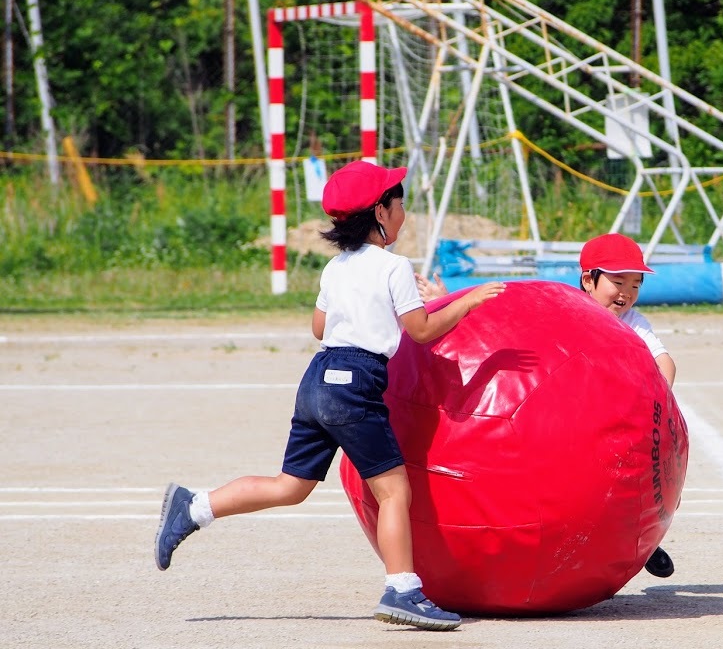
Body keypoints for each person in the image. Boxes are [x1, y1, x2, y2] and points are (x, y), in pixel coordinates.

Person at [154, 160, 505, 631]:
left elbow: (319, 327)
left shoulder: (336, 267)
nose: (404, 213)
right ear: (380, 212)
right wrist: (469, 299)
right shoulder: (394, 266)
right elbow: (421, 331)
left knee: (290, 486)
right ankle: (403, 590)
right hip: (355, 385)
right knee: (395, 491)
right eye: (400, 204)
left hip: (317, 378)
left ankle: (195, 506)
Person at [415, 233, 677, 577]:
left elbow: (664, 361)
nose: (626, 292)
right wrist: (449, 301)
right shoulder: (563, 310)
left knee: (644, 475)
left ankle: (645, 540)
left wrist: (658, 395)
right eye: (617, 282)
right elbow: (500, 322)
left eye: (635, 284)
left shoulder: (633, 323)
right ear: (588, 279)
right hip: (563, 421)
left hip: (611, 423)